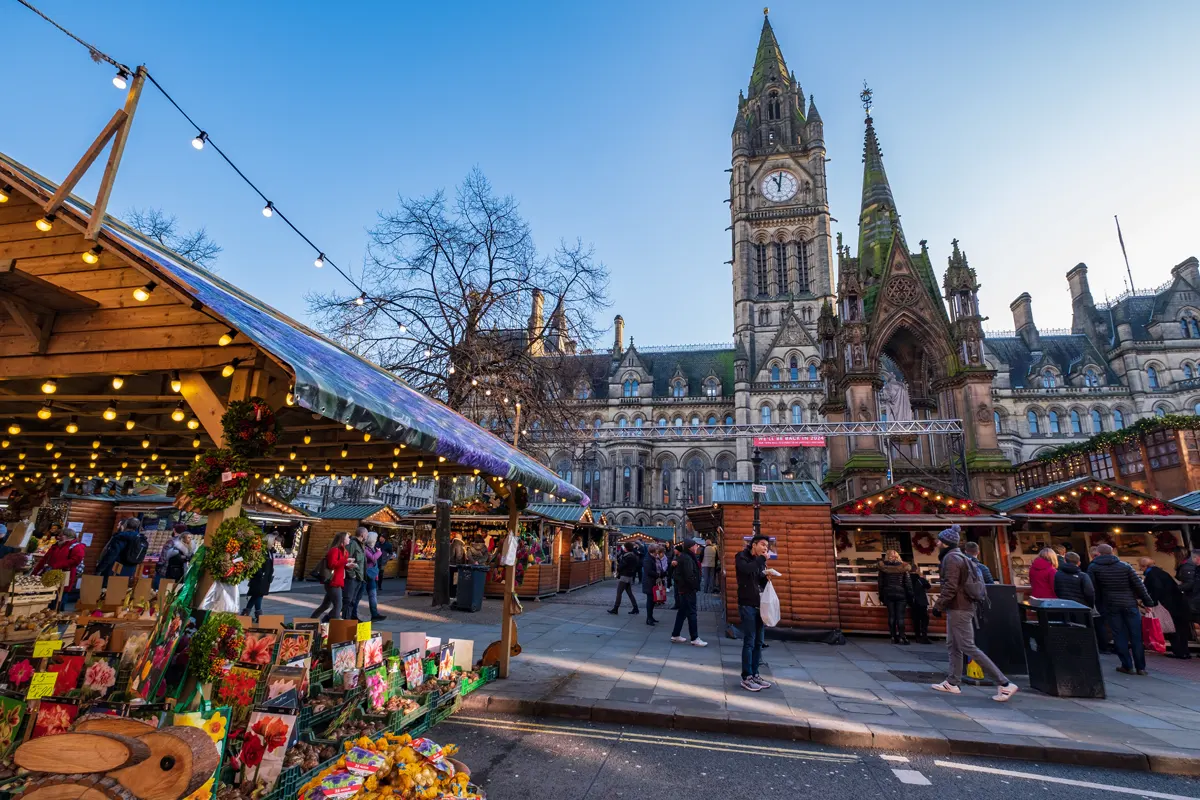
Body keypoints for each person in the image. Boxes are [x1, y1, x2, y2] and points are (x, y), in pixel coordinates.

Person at [930, 524, 1019, 700]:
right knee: (953, 644)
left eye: (940, 540)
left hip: (960, 607)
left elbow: (951, 586)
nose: (938, 542)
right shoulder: (957, 557)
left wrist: (938, 605)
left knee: (967, 645)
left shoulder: (952, 559)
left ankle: (1004, 683)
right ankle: (952, 682)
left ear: (947, 542)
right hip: (959, 606)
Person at [1088, 544, 1157, 675]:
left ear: (1098, 553)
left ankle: (1127, 665)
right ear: (1112, 552)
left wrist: (1096, 604)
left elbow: (1092, 589)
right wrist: (1148, 602)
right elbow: (1138, 585)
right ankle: (1141, 667)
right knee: (1136, 635)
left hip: (1111, 604)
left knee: (1119, 635)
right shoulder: (1125, 566)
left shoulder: (1094, 567)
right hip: (1129, 603)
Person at [736, 534, 779, 691]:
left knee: (759, 642)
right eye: (762, 545)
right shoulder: (741, 557)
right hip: (747, 604)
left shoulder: (760, 562)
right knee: (749, 640)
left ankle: (755, 674)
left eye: (767, 546)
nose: (765, 548)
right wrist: (761, 561)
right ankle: (746, 676)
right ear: (753, 545)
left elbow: (757, 578)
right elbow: (747, 570)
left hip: (759, 604)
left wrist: (766, 576)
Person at [1140, 557, 1190, 660]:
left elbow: (1157, 588)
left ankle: (1178, 652)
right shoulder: (1162, 572)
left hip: (1167, 605)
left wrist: (1151, 602)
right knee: (1180, 627)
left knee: (1171, 628)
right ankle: (1184, 651)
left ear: (1145, 566)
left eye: (1141, 567)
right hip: (1177, 603)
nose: (1141, 569)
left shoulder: (1152, 575)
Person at [33, 527, 86, 610]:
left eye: (61, 536)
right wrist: (35, 572)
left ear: (68, 536)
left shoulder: (76, 546)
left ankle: (57, 615)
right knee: (48, 596)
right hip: (50, 574)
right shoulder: (56, 546)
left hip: (65, 576)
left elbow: (75, 561)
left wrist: (57, 565)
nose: (58, 537)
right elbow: (45, 559)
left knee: (60, 597)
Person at [669, 538, 707, 647]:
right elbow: (689, 575)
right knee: (692, 613)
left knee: (683, 612)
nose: (697, 548)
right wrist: (694, 586)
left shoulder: (686, 557)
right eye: (696, 546)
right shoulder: (687, 558)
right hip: (687, 589)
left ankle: (675, 635)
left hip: (685, 588)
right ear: (691, 547)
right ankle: (694, 638)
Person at [876, 550, 913, 645]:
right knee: (900, 616)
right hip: (901, 593)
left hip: (888, 593)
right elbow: (908, 583)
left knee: (891, 616)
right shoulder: (904, 567)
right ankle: (902, 637)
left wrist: (881, 596)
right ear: (897, 556)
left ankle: (893, 636)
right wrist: (910, 596)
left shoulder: (883, 568)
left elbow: (880, 584)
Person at [313, 532, 350, 621]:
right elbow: (332, 564)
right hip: (333, 581)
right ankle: (334, 624)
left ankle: (312, 621)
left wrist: (348, 565)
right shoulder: (335, 550)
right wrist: (345, 561)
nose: (349, 539)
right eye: (348, 537)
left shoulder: (343, 551)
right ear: (342, 539)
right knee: (338, 605)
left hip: (337, 580)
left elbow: (340, 565)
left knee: (325, 605)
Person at [242, 548, 274, 624]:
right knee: (256, 595)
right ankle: (249, 614)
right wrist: (260, 574)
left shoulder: (270, 551)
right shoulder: (261, 551)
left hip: (265, 578)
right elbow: (257, 564)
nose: (274, 541)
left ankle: (253, 615)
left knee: (259, 595)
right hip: (259, 578)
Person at [608, 542, 640, 615]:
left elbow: (621, 566)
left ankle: (615, 609)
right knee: (629, 593)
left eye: (625, 547)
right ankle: (636, 608)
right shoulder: (633, 556)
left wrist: (618, 568)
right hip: (630, 576)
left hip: (624, 576)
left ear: (626, 548)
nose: (624, 548)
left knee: (619, 593)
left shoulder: (627, 556)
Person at [342, 527, 366, 621]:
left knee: (353, 600)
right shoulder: (352, 544)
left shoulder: (360, 545)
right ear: (362, 535)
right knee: (348, 600)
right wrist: (352, 575)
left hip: (359, 577)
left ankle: (350, 619)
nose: (367, 537)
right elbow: (347, 559)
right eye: (366, 535)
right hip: (352, 578)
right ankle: (343, 620)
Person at [362, 534, 387, 622]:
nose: (377, 540)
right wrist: (379, 552)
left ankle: (375, 614)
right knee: (358, 596)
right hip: (365, 574)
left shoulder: (372, 548)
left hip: (371, 575)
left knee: (373, 595)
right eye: (375, 538)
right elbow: (373, 558)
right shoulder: (365, 548)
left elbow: (374, 562)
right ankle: (351, 614)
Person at [908, 568, 932, 644]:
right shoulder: (920, 579)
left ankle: (917, 637)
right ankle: (924, 636)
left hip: (913, 602)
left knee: (916, 620)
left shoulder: (907, 580)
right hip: (922, 602)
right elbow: (928, 586)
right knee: (924, 620)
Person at [641, 544, 662, 626]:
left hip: (654, 582)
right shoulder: (647, 559)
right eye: (657, 549)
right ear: (653, 550)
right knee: (650, 601)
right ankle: (649, 618)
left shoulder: (654, 558)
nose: (658, 551)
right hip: (649, 582)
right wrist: (659, 574)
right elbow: (648, 571)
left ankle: (651, 617)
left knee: (653, 601)